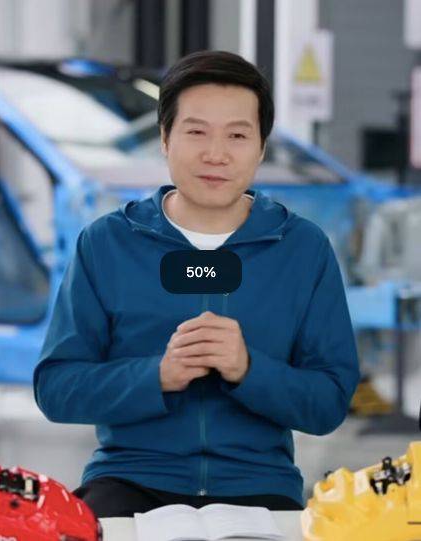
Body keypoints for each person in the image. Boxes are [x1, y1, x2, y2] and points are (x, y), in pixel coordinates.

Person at [33, 50, 360, 518]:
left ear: (261, 147)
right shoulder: (107, 243)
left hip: (259, 484)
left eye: (237, 135)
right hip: (130, 478)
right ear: (165, 138)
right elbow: (57, 388)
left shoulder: (303, 249)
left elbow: (328, 402)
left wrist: (249, 370)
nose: (216, 154)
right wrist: (156, 376)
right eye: (196, 131)